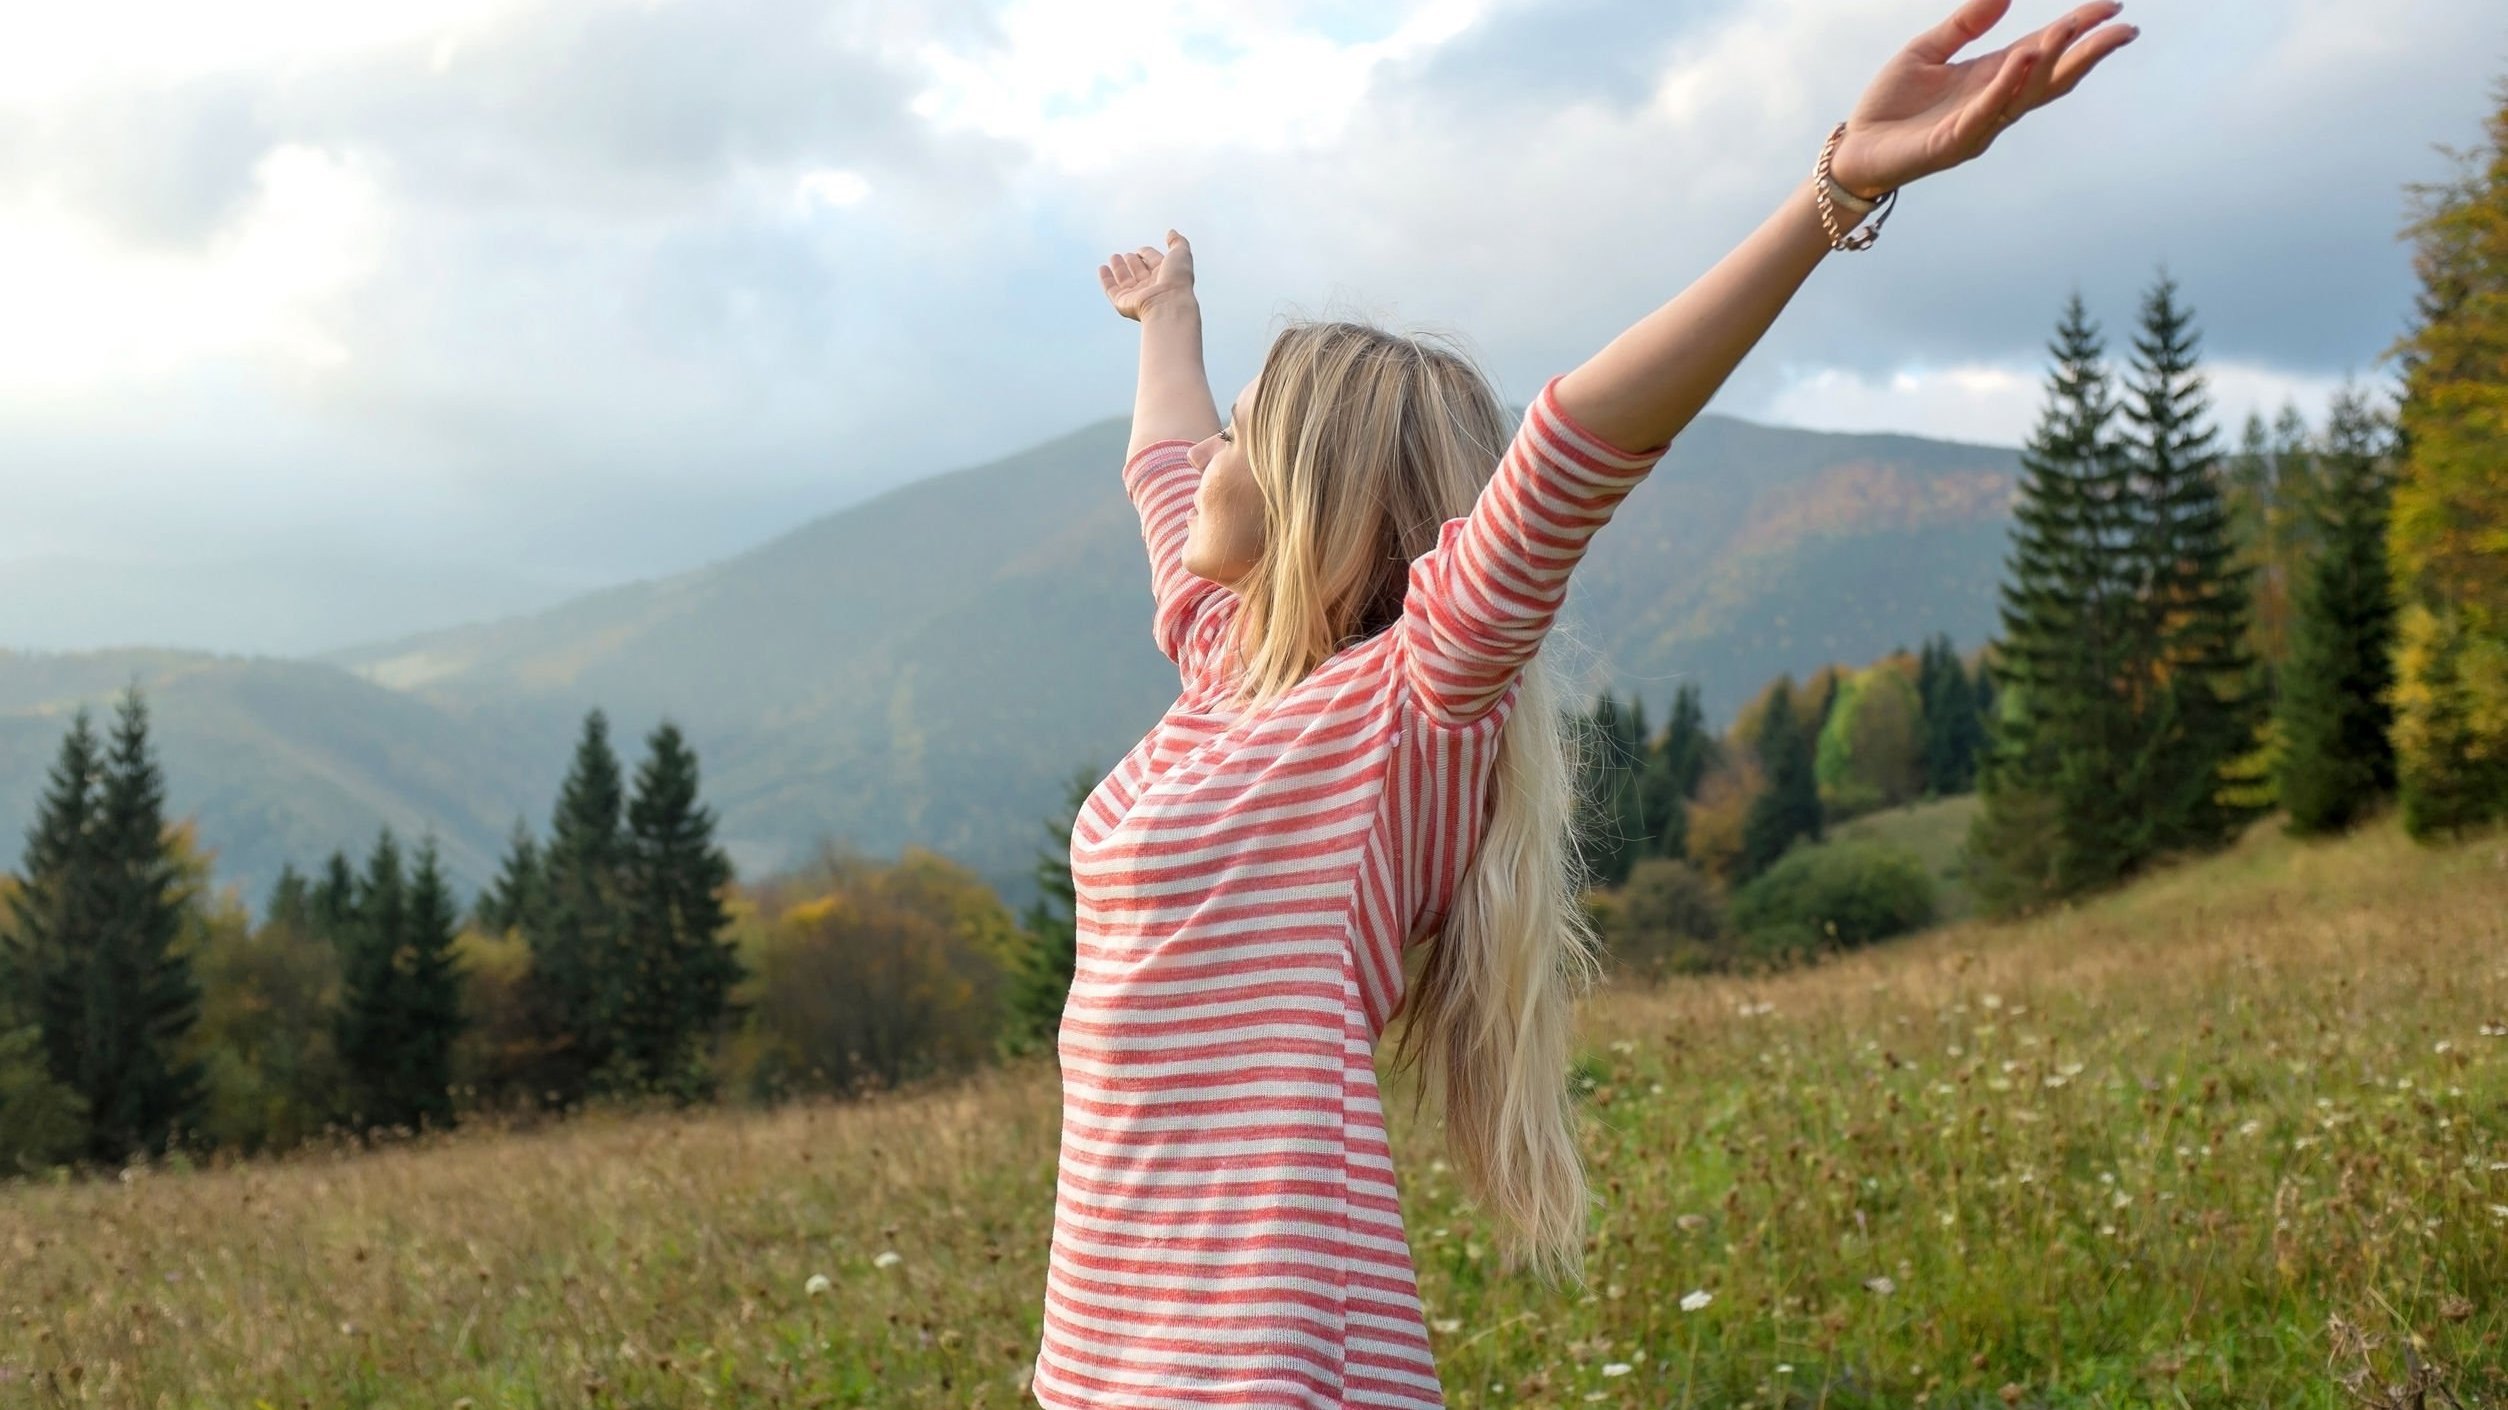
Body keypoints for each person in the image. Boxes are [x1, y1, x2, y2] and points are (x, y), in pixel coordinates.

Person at [1031, 2, 2136, 1405]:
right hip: (1108, 1331)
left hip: (1257, 1350)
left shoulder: (1404, 711)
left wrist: (1836, 191)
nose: (1210, 456)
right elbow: (1165, 460)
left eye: (1248, 431)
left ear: (1318, 494)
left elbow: (1573, 447)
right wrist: (1170, 314)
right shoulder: (1223, 671)